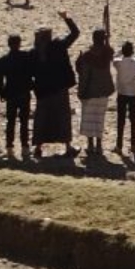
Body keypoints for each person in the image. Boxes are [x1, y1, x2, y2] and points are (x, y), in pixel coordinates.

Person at [30, 13, 81, 159]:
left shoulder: (33, 52)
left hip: (42, 91)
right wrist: (66, 18)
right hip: (60, 89)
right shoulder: (58, 45)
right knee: (63, 116)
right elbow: (75, 33)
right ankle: (68, 147)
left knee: (42, 118)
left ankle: (38, 148)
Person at [75, 8, 117, 158]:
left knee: (89, 119)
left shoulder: (88, 55)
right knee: (99, 119)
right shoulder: (106, 52)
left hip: (90, 91)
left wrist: (81, 92)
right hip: (104, 91)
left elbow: (83, 74)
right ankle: (98, 145)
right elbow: (110, 50)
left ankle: (91, 145)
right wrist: (107, 40)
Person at [0, 34, 35, 158]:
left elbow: (0, 80)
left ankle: (9, 148)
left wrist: (1, 93)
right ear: (19, 43)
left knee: (10, 121)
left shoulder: (3, 60)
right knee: (24, 121)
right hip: (24, 92)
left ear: (8, 44)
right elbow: (31, 73)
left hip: (11, 93)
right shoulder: (26, 56)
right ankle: (25, 148)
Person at [112, 30, 135, 155]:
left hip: (122, 93)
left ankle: (119, 146)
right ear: (132, 52)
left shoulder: (118, 63)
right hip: (133, 94)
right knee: (134, 120)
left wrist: (120, 51)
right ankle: (133, 145)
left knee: (120, 120)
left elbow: (113, 57)